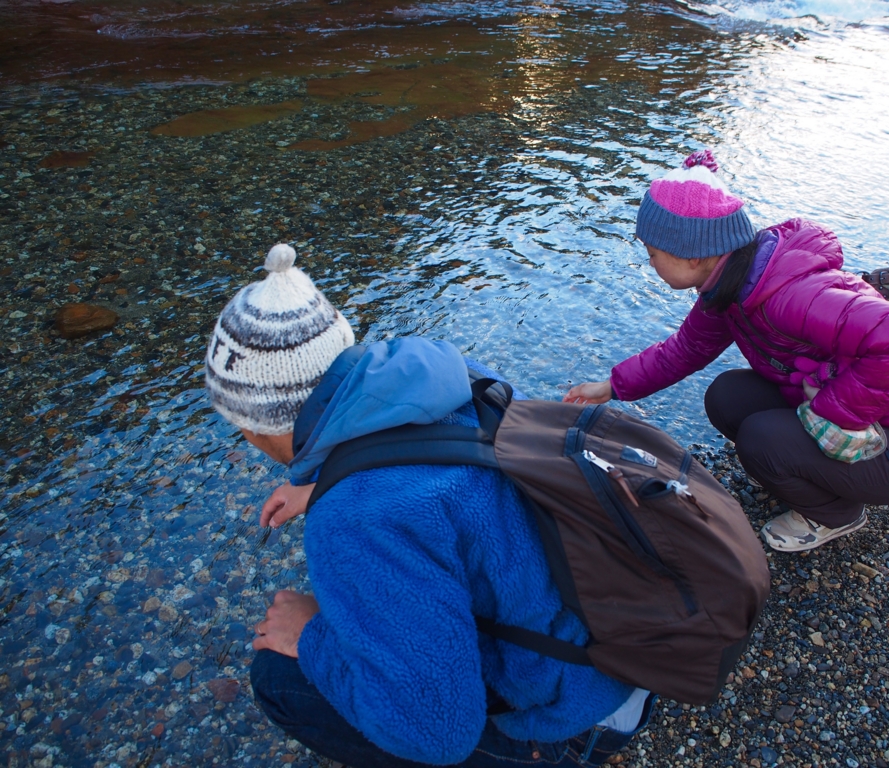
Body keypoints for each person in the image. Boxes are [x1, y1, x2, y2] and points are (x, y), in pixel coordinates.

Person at [205, 244, 656, 767]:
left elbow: (440, 734)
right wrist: (324, 484)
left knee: (279, 679)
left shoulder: (354, 518)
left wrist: (310, 635)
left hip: (576, 719)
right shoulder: (451, 379)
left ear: (251, 425)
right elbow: (447, 475)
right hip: (628, 652)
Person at [564, 149, 889, 553]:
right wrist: (611, 386)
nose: (650, 264)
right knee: (727, 395)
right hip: (863, 417)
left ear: (691, 255)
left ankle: (836, 514)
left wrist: (831, 414)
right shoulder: (734, 283)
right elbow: (686, 349)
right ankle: (801, 467)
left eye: (653, 254)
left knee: (759, 439)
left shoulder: (788, 296)